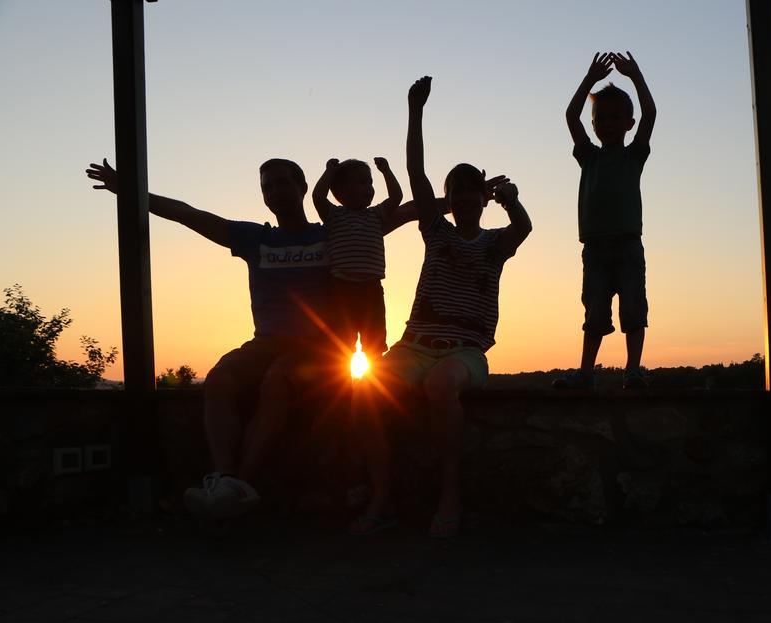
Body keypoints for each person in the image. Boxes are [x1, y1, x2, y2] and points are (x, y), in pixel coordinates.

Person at [86, 157, 336, 520]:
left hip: (318, 350)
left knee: (277, 382)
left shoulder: (330, 234)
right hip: (265, 344)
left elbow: (387, 218)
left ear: (302, 187)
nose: (275, 192)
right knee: (220, 377)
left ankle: (238, 487)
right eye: (267, 186)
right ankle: (225, 479)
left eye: (282, 183)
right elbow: (189, 214)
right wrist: (129, 189)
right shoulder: (256, 238)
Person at [351, 76, 532, 537]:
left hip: (464, 352)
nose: (465, 197)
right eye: (457, 190)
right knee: (366, 391)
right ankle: (381, 495)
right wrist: (415, 111)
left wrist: (510, 199)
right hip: (413, 344)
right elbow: (416, 171)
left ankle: (449, 495)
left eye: (473, 189)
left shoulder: (495, 245)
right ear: (448, 200)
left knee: (439, 385)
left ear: (481, 198)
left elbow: (524, 226)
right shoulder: (437, 230)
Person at [554, 51, 657, 391]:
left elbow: (650, 114)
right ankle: (586, 372)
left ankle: (633, 370)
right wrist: (588, 81)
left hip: (627, 245)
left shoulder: (634, 156)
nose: (608, 123)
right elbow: (571, 116)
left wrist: (636, 76)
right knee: (595, 314)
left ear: (628, 123)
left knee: (633, 310)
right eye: (602, 118)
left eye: (617, 118)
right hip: (595, 248)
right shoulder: (589, 157)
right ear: (594, 123)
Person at [311, 156, 404, 367]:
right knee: (341, 342)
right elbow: (318, 196)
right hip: (341, 289)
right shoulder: (334, 215)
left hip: (371, 289)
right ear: (341, 191)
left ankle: (375, 382)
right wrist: (329, 172)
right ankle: (340, 383)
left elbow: (396, 196)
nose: (369, 187)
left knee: (375, 340)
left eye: (370, 182)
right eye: (361, 182)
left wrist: (386, 171)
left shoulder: (376, 215)